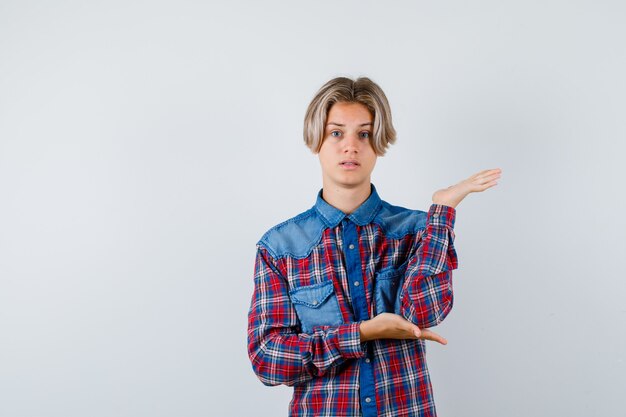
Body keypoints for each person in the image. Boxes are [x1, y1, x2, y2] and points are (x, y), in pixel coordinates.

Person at [246, 76, 502, 417]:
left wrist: (442, 212)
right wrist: (361, 334)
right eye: (336, 132)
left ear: (378, 143)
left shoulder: (414, 229)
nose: (350, 146)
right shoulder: (280, 247)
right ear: (316, 141)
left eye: (363, 134)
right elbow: (267, 359)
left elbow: (425, 312)